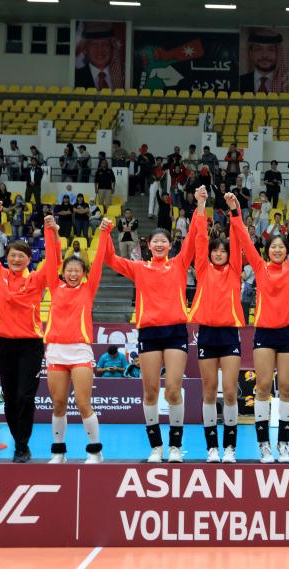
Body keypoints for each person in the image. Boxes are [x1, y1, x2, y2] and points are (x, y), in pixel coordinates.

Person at [100, 192, 202, 463]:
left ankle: (175, 447)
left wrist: (200, 205)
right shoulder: (139, 268)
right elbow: (109, 258)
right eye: (155, 241)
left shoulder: (179, 263)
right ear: (148, 244)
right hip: (149, 333)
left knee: (173, 389)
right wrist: (106, 232)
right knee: (150, 391)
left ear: (170, 245)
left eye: (163, 241)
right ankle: (156, 447)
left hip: (175, 332)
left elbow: (194, 236)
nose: (159, 244)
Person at [231, 193, 289, 462]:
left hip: (288, 333)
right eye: (273, 247)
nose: (277, 250)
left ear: (287, 251)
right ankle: (264, 444)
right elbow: (244, 239)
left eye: (281, 247)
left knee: (286, 389)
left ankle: (283, 445)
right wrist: (235, 212)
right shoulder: (260, 267)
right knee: (263, 386)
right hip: (264, 334)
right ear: (267, 251)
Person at [42, 214, 112, 463]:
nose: (73, 274)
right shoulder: (54, 286)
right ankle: (58, 452)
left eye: (77, 271)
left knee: (83, 404)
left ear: (83, 273)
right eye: (69, 271)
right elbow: (51, 258)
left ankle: (95, 451)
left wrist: (104, 233)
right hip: (56, 351)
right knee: (58, 404)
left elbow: (100, 260)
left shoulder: (88, 289)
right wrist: (50, 230)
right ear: (63, 273)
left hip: (80, 351)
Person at [0, 197, 47, 462]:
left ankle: (22, 445)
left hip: (31, 345)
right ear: (6, 257)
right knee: (9, 397)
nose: (17, 259)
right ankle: (18, 440)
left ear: (29, 259)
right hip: (4, 344)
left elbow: (54, 261)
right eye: (12, 255)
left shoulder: (37, 279)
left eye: (22, 256)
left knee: (24, 396)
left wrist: (51, 231)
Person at [191, 189, 246, 463]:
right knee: (210, 391)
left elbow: (238, 238)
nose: (220, 253)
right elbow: (200, 238)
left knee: (231, 392)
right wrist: (201, 205)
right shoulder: (202, 268)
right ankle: (212, 448)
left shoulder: (235, 269)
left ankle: (230, 448)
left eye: (224, 251)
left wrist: (234, 209)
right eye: (216, 250)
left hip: (229, 335)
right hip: (207, 334)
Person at [75, 23, 123, 89]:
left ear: (112, 48)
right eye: (94, 44)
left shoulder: (123, 76)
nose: (100, 50)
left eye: (105, 44)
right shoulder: (75, 77)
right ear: (85, 50)